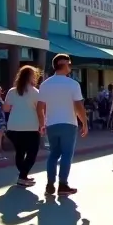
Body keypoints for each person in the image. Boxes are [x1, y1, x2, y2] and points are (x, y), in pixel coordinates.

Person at [36, 54, 88, 196]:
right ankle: (63, 184)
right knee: (66, 154)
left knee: (54, 153)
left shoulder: (45, 84)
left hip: (51, 123)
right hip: (68, 123)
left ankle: (50, 184)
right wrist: (84, 122)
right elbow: (79, 106)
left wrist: (42, 123)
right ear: (63, 64)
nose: (70, 66)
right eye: (69, 63)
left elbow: (39, 107)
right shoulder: (73, 84)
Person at [3, 65, 44, 187]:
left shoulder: (12, 91)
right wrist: (42, 125)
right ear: (31, 77)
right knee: (32, 153)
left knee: (20, 152)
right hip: (30, 127)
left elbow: (6, 108)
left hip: (13, 127)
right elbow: (40, 111)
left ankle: (23, 174)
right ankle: (22, 176)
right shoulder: (36, 92)